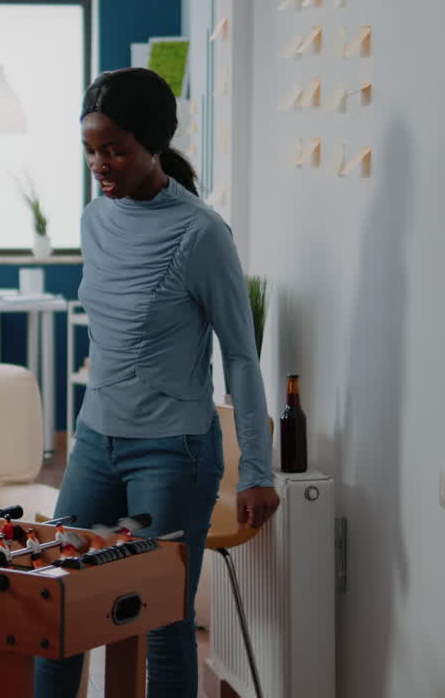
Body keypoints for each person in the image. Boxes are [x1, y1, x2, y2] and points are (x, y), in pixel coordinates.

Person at [33, 67, 281, 698]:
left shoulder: (201, 234)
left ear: (154, 144)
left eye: (115, 149)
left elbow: (241, 357)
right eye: (91, 149)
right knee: (57, 601)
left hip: (172, 451)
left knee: (162, 624)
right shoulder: (95, 220)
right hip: (94, 441)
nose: (100, 162)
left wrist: (257, 467)